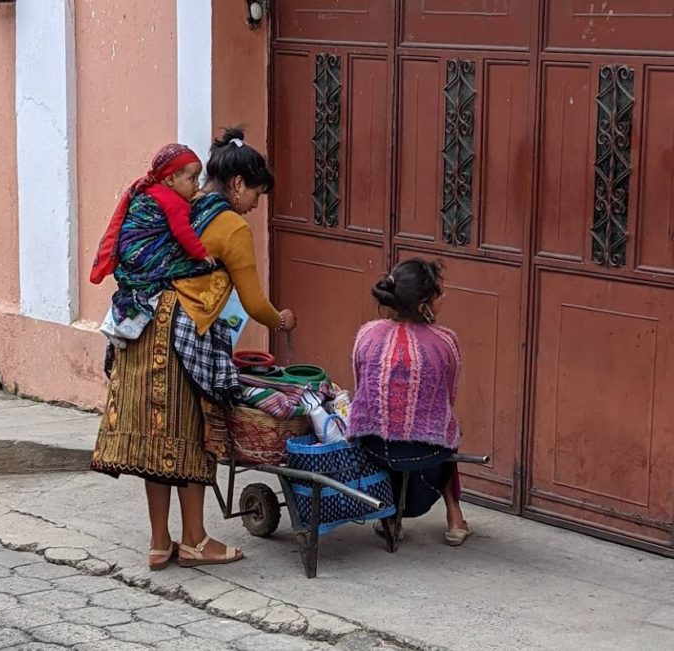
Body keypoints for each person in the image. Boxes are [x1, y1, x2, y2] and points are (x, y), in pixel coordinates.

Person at [91, 127, 297, 569]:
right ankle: (197, 541)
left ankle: (159, 542)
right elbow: (255, 302)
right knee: (191, 436)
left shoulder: (182, 202)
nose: (257, 206)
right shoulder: (231, 226)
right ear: (239, 184)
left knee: (153, 438)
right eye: (257, 195)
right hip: (183, 337)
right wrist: (281, 320)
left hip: (139, 325)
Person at [347, 257, 471, 546]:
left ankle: (391, 518)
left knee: (392, 431)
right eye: (439, 291)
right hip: (424, 459)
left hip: (372, 449)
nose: (445, 295)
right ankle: (455, 518)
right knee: (448, 430)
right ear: (422, 306)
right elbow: (447, 399)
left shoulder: (367, 334)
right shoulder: (445, 341)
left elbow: (361, 388)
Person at [91, 143, 216, 348]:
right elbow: (182, 232)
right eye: (192, 179)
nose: (196, 185)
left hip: (128, 252)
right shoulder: (174, 203)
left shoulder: (149, 189)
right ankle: (126, 328)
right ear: (170, 179)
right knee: (166, 278)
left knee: (134, 287)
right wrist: (201, 254)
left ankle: (114, 325)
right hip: (143, 254)